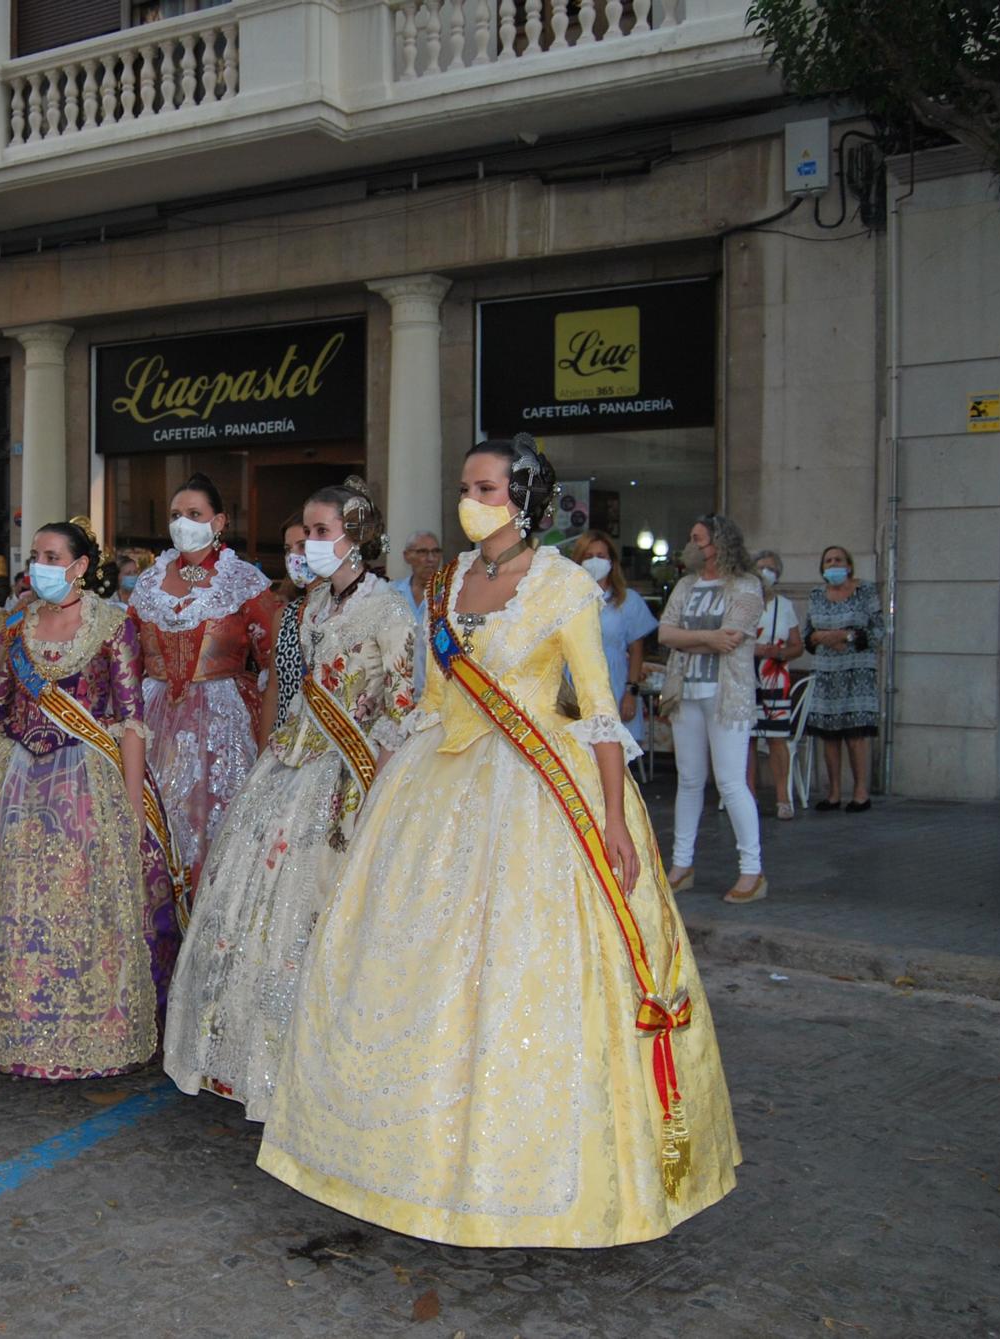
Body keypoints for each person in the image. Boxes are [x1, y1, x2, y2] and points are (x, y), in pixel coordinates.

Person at [257, 435, 739, 1247]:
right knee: (415, 965)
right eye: (464, 486)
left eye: (483, 486)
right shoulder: (447, 582)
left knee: (524, 970)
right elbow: (435, 700)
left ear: (522, 497)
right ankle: (413, 1164)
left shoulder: (560, 587)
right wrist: (384, 782)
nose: (468, 499)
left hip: (541, 790)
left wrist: (617, 822)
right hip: (440, 783)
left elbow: (598, 712)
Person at [164, 479, 415, 1120]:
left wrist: (377, 782)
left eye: (323, 532)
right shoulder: (307, 609)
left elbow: (405, 704)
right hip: (291, 766)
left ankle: (317, 1067)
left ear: (356, 537)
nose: (309, 544)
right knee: (252, 905)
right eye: (306, 533)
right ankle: (250, 1056)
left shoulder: (388, 611)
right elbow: (294, 690)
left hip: (347, 773)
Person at [0, 518, 178, 1079]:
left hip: (88, 782)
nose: (40, 566)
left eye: (53, 556)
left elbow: (131, 722)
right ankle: (0, 1027)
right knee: (1, 897)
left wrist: (133, 810)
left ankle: (81, 1032)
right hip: (11, 778)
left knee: (77, 899)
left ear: (81, 567)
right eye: (35, 555)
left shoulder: (114, 626)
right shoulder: (16, 628)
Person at [130, 472, 282, 896]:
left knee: (212, 818)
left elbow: (275, 658)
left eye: (194, 514)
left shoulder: (243, 580)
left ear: (219, 523)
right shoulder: (148, 582)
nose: (183, 523)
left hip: (223, 717)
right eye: (176, 515)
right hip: (154, 714)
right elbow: (127, 656)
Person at [658, 515, 767, 904]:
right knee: (688, 780)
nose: (692, 545)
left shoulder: (747, 586)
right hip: (686, 691)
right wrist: (706, 637)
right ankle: (681, 865)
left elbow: (733, 639)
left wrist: (689, 641)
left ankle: (752, 870)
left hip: (727, 695)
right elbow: (665, 632)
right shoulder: (687, 585)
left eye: (698, 538)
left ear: (719, 543)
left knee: (731, 782)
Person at [804, 544, 882, 813]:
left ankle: (861, 792)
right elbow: (809, 635)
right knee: (829, 735)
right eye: (828, 561)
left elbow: (879, 630)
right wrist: (823, 637)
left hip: (857, 671)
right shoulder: (816, 594)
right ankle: (833, 792)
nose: (833, 564)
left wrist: (845, 636)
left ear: (849, 565)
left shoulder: (865, 591)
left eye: (838, 560)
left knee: (856, 733)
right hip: (826, 673)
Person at [569, 530, 659, 751]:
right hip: (573, 685)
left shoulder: (628, 600)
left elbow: (637, 650)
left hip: (615, 685)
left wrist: (631, 692)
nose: (594, 561)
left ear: (611, 561)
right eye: (588, 556)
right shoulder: (566, 599)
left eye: (600, 555)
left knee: (615, 754)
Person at [747, 550, 804, 819]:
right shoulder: (743, 602)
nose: (765, 572)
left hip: (775, 676)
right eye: (760, 567)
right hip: (746, 676)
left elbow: (797, 645)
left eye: (770, 568)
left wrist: (778, 653)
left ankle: (783, 798)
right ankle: (749, 796)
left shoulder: (784, 605)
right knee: (747, 738)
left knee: (776, 738)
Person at [274, 516, 312, 723]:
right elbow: (274, 691)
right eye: (288, 549)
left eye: (303, 546)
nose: (294, 556)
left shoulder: (348, 610)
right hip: (284, 738)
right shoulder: (285, 615)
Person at [396, 530, 443, 696]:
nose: (430, 559)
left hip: (435, 698)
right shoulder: (391, 594)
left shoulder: (449, 597)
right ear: (407, 556)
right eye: (423, 552)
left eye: (435, 552)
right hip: (398, 697)